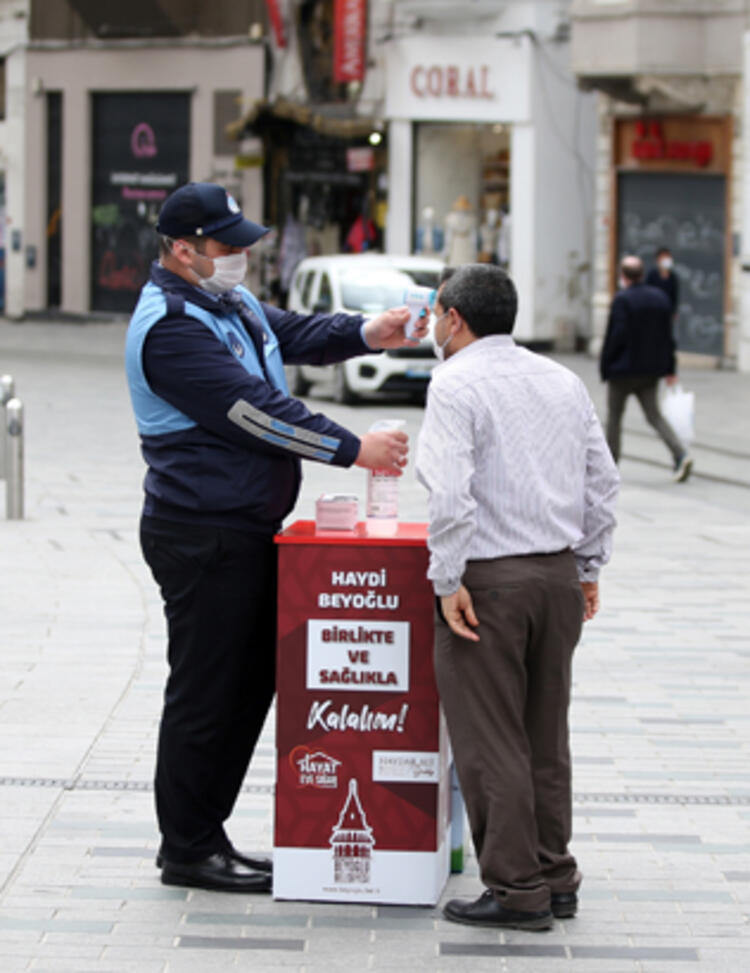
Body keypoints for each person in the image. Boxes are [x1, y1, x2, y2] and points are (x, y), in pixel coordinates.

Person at [125, 182, 425, 893]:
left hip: (245, 529)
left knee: (250, 682)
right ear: (182, 249)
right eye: (227, 246)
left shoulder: (225, 301)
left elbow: (287, 333)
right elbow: (256, 414)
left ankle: (208, 831)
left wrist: (365, 333)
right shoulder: (169, 325)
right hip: (202, 533)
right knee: (207, 692)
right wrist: (355, 448)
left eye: (244, 244)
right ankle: (188, 846)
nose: (241, 256)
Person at [415, 263, 619, 931]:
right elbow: (602, 476)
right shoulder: (561, 379)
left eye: (435, 311)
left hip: (488, 582)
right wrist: (588, 564)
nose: (432, 323)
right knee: (543, 733)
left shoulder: (454, 383)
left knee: (490, 737)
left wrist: (447, 580)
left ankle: (516, 888)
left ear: (454, 318)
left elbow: (450, 493)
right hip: (557, 577)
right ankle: (555, 874)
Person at [601, 255, 692, 482]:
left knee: (614, 418)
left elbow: (616, 336)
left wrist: (606, 365)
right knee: (654, 416)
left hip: (622, 371)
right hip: (651, 371)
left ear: (623, 276)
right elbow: (668, 338)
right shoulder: (660, 298)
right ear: (642, 274)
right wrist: (670, 368)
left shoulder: (622, 300)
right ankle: (680, 454)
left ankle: (610, 467)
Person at [645, 246, 679, 314]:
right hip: (653, 310)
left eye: (667, 257)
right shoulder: (652, 275)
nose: (666, 259)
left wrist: (674, 311)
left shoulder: (673, 277)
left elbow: (674, 296)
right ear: (658, 259)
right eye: (663, 257)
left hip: (667, 311)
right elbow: (646, 294)